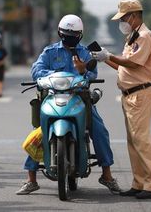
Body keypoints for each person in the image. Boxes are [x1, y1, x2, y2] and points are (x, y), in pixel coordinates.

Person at [16, 14, 121, 195]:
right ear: (60, 33)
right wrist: (53, 75)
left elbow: (92, 75)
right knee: (39, 132)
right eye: (67, 34)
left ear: (80, 35)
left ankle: (107, 175)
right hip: (52, 99)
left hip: (80, 99)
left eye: (74, 34)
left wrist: (83, 71)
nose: (70, 37)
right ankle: (31, 179)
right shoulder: (49, 52)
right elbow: (37, 70)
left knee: (99, 129)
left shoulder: (85, 53)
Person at [91, 0, 151, 199]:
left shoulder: (145, 37)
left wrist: (109, 55)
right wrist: (107, 59)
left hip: (139, 94)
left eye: (123, 18)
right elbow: (125, 67)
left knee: (142, 141)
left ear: (134, 16)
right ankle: (139, 182)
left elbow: (133, 63)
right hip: (129, 95)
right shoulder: (133, 37)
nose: (122, 21)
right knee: (133, 142)